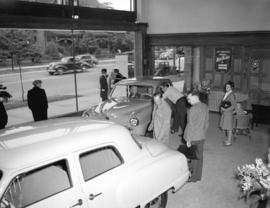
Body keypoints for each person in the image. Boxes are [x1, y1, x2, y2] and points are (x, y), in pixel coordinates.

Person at [184, 91, 209, 182]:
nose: (188, 101)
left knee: (193, 158)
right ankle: (198, 176)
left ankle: (193, 177)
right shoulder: (205, 106)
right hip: (201, 136)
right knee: (200, 157)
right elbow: (206, 123)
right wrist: (203, 133)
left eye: (189, 99)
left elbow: (190, 125)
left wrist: (188, 139)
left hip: (193, 137)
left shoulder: (192, 109)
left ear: (195, 97)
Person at [219, 81, 236, 146]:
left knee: (229, 128)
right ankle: (228, 140)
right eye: (226, 86)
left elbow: (233, 106)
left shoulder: (231, 95)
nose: (226, 87)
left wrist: (225, 109)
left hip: (228, 114)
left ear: (231, 87)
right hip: (226, 113)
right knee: (227, 127)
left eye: (228, 86)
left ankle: (229, 142)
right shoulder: (227, 93)